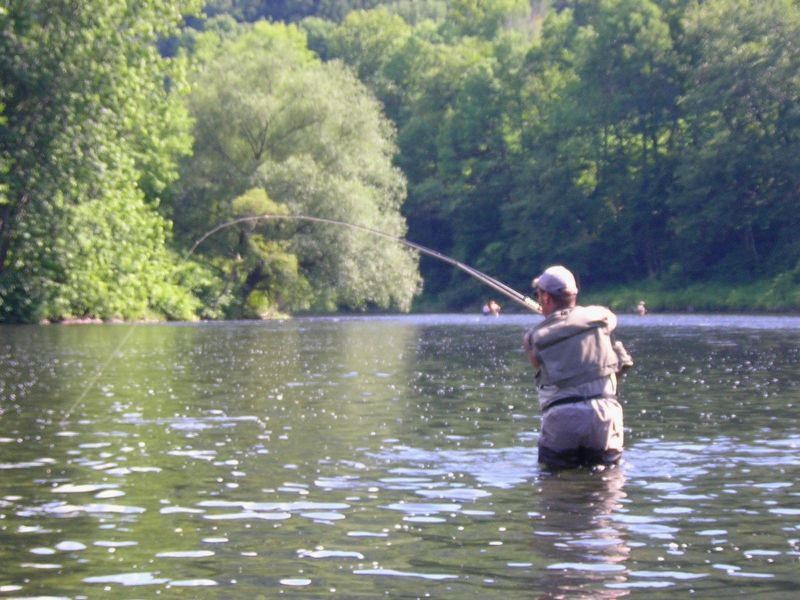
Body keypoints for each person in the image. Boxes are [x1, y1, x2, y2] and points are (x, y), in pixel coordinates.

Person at [522, 265, 633, 470]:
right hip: (605, 416)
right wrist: (565, 318)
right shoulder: (600, 317)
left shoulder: (533, 337)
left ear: (546, 298)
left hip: (562, 419)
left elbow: (536, 361)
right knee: (608, 480)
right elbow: (609, 320)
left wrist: (554, 321)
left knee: (555, 482)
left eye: (538, 295)